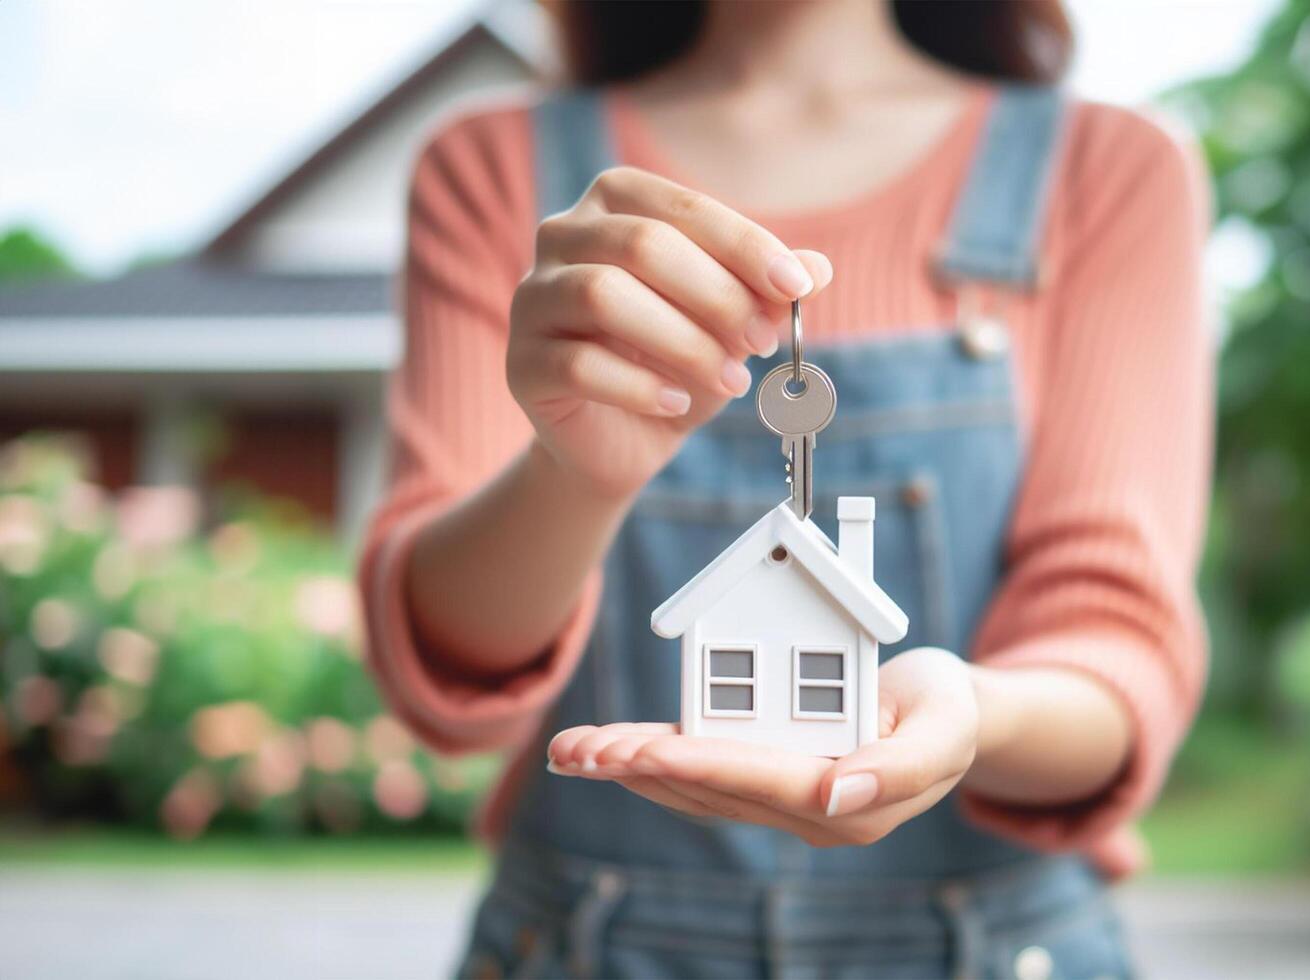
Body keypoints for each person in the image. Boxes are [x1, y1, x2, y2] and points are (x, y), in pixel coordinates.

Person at [358, 1, 1212, 976]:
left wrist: (967, 712)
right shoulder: (491, 166)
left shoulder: (1104, 168)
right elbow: (449, 678)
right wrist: (572, 473)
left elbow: (1115, 646)